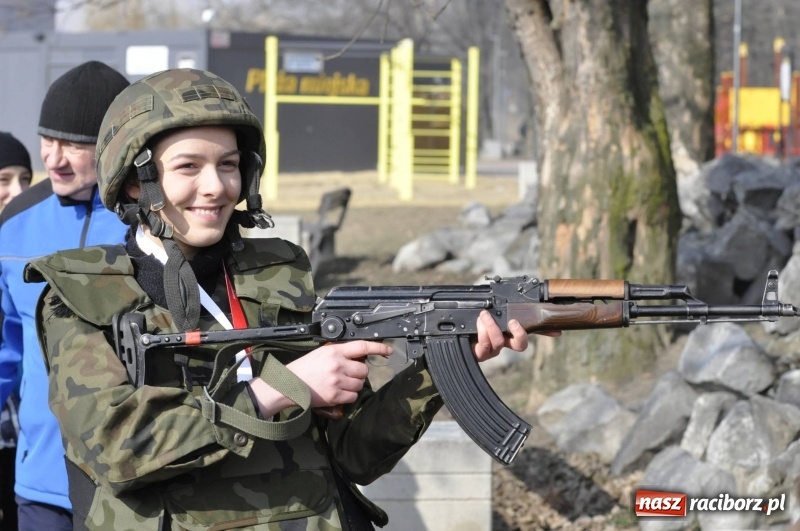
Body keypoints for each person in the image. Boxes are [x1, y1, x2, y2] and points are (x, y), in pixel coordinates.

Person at [24, 68, 531, 531]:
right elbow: (117, 446)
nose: (216, 187)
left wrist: (441, 369)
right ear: (137, 184)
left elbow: (354, 455)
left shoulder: (276, 275)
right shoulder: (82, 296)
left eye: (228, 164)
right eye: (188, 167)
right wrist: (280, 389)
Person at [0, 61, 130, 531]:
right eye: (47, 141)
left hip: (135, 479)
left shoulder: (160, 222)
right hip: (41, 482)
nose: (53, 159)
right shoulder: (15, 222)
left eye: (73, 145)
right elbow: (4, 350)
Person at [0, 131, 33, 530]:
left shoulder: (26, 252)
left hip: (23, 439)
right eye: (3, 181)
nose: (18, 191)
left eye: (25, 179)